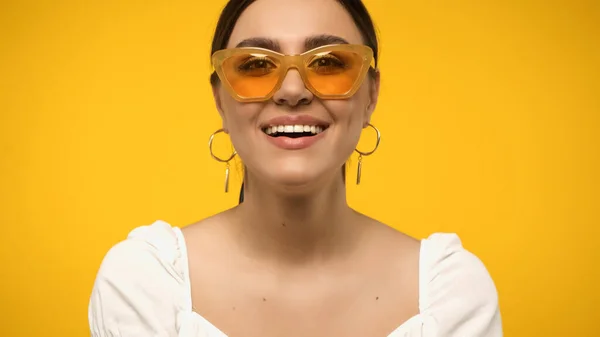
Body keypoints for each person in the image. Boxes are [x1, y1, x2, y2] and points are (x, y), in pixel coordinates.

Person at [88, 0, 502, 336]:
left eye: (328, 63)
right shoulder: (144, 284)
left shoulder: (452, 292)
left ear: (371, 94)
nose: (292, 90)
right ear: (220, 100)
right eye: (254, 65)